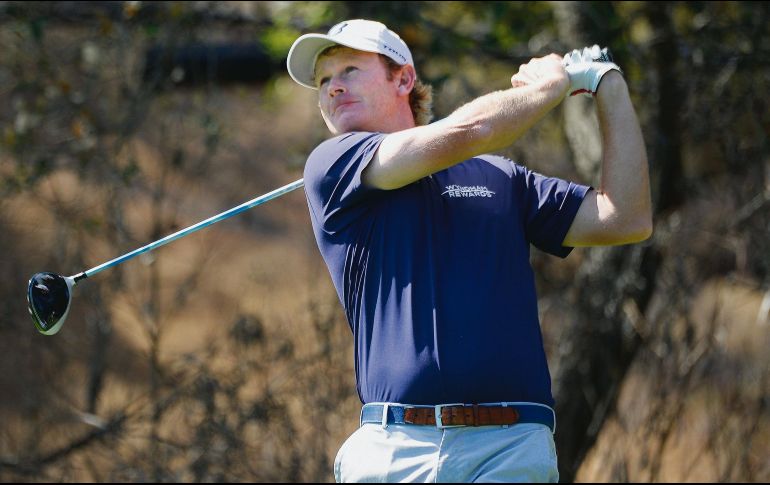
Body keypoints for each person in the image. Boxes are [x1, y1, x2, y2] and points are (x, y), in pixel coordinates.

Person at [286, 19, 651, 483]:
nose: (332, 89)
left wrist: (607, 83)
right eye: (323, 81)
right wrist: (548, 88)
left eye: (349, 71)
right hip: (395, 450)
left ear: (403, 79)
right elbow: (472, 129)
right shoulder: (332, 164)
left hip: (509, 447)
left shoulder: (501, 178)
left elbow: (626, 218)